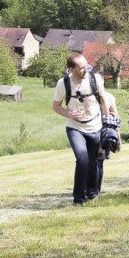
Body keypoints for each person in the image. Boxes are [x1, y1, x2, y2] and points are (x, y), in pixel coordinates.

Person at [52, 52, 110, 206]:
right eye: (81, 68)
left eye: (86, 66)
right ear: (71, 69)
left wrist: (107, 123)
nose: (86, 70)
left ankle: (92, 193)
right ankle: (78, 198)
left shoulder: (95, 79)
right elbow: (56, 106)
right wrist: (68, 113)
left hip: (95, 126)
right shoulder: (62, 83)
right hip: (75, 127)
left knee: (92, 162)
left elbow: (103, 100)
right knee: (82, 160)